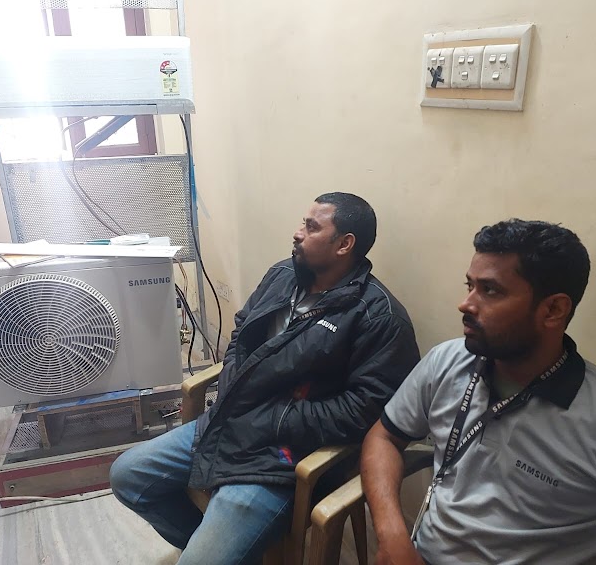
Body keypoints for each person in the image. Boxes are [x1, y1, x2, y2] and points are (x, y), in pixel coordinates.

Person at [110, 192, 420, 564]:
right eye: (303, 222)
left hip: (284, 457)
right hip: (231, 421)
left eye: (312, 227)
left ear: (344, 244)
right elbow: (242, 330)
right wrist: (232, 379)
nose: (298, 233)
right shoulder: (284, 274)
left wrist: (276, 419)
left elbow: (363, 411)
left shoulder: (378, 316)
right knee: (128, 476)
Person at [362, 218, 596, 565]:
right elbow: (384, 437)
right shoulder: (447, 361)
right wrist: (392, 536)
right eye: (470, 285)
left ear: (553, 310)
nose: (466, 304)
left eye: (490, 290)